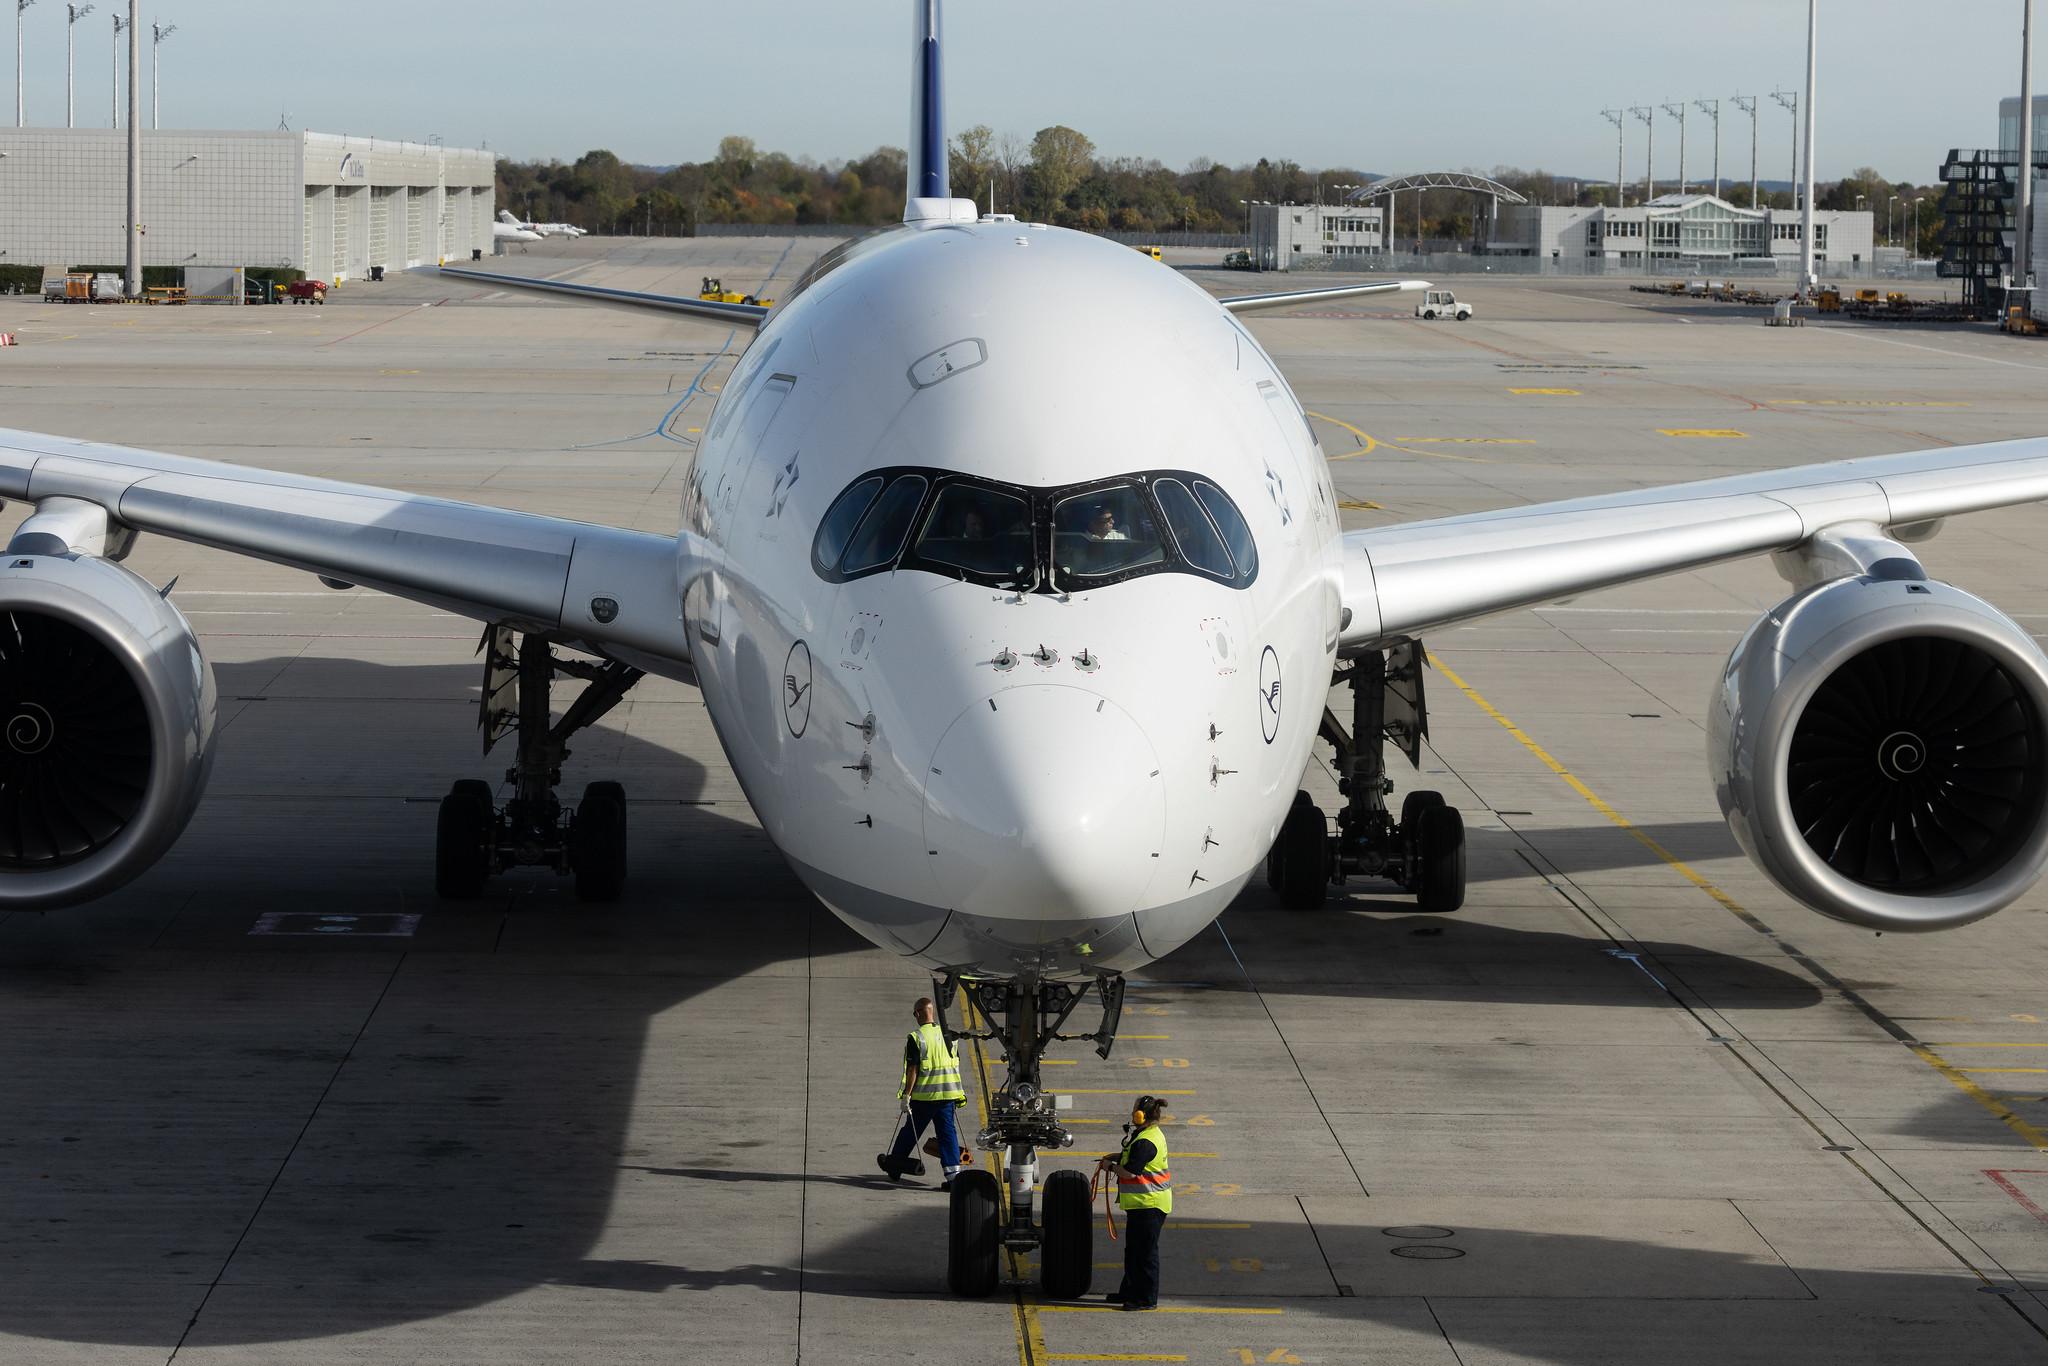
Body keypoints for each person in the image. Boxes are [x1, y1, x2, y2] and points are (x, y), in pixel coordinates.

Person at [880, 997, 967, 1189]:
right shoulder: (950, 1035)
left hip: (925, 1097)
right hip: (947, 1096)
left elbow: (913, 1069)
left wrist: (906, 1095)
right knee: (947, 1135)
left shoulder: (917, 1037)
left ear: (919, 1012)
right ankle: (953, 1177)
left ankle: (895, 1166)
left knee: (910, 1132)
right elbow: (955, 1063)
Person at [1097, 1095, 1171, 1310]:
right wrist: (1114, 1157)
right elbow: (1130, 1157)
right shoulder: (1144, 1135)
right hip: (1141, 1204)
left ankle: (1146, 1299)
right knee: (1133, 1251)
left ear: (1141, 1115)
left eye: (1134, 1111)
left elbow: (1129, 1172)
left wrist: (1109, 1167)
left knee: (1145, 1253)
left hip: (1150, 1204)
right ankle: (1129, 1291)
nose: (1131, 1114)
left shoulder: (1147, 1141)